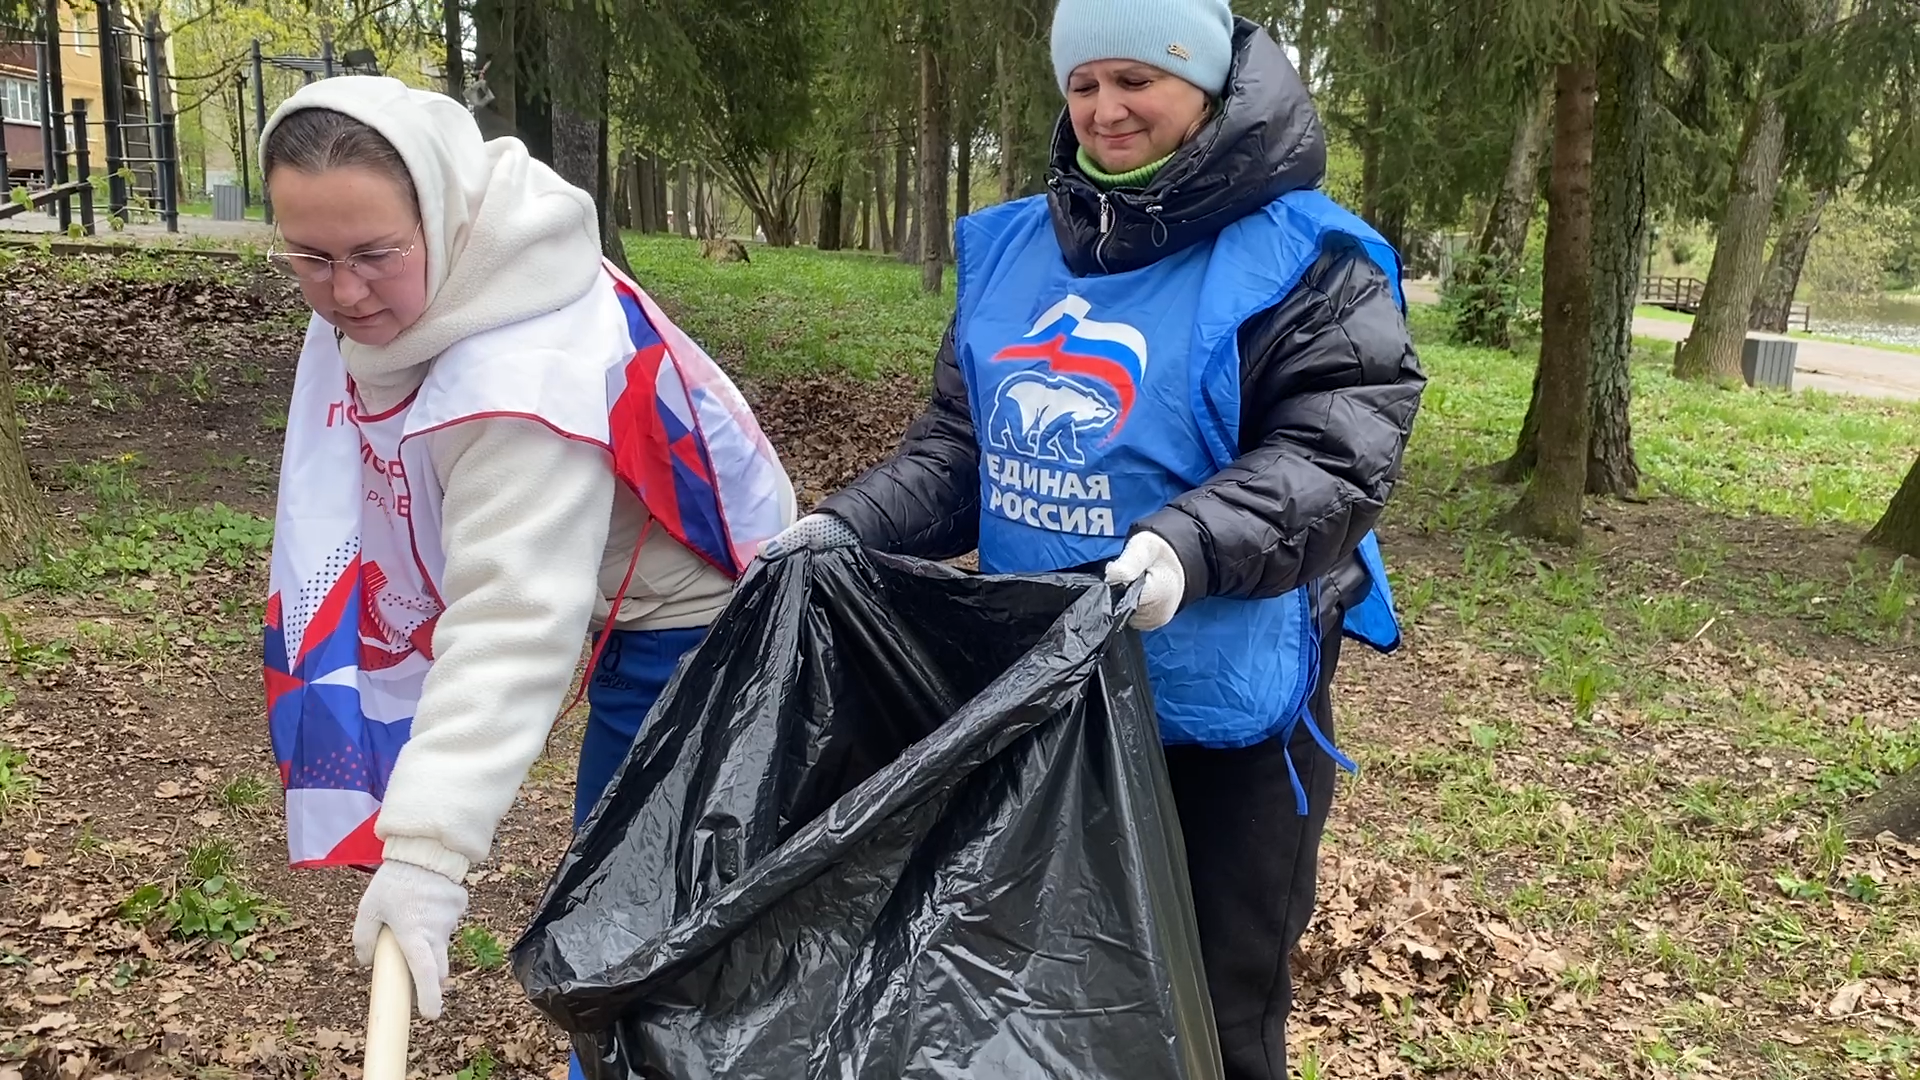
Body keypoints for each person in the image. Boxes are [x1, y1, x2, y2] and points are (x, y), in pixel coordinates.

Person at [769, 2, 1425, 1076]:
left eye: (1137, 81)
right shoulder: (1012, 249)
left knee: (1215, 1010)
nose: (1105, 110)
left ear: (1204, 87)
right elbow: (959, 453)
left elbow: (1336, 455)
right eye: (1084, 85)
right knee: (1040, 996)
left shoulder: (1307, 257)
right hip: (1045, 702)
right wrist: (845, 524)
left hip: (1222, 723)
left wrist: (1187, 544)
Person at [256, 76, 796, 1031]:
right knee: (632, 912)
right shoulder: (418, 275)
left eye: (375, 254)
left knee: (632, 919)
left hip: (703, 626)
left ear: (442, 209)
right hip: (614, 604)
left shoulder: (521, 375)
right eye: (311, 257)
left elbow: (512, 621)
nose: (343, 293)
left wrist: (425, 853)